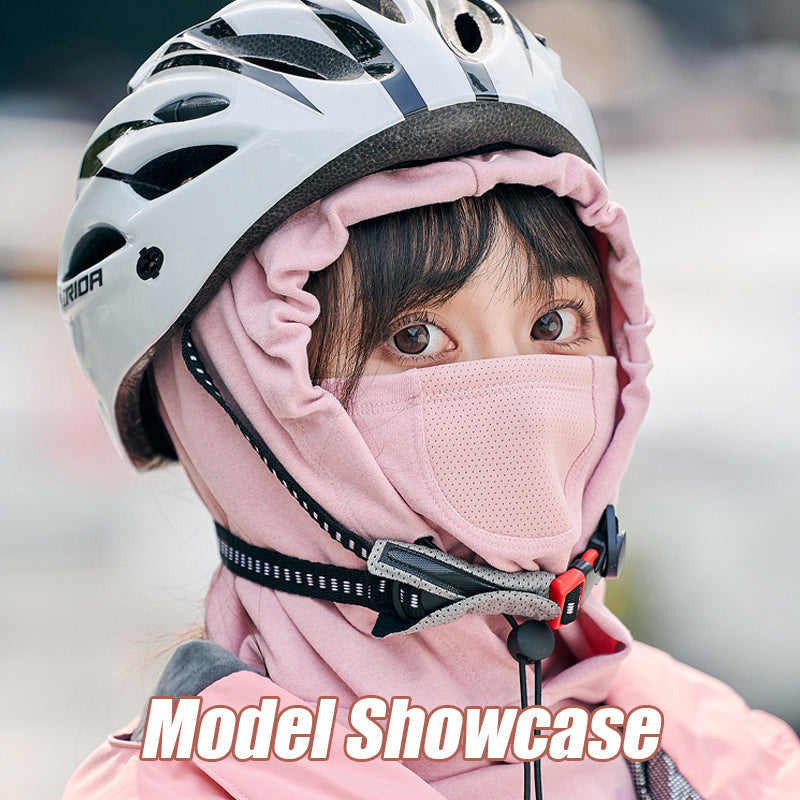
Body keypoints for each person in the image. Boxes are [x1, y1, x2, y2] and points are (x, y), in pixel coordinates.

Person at [57, 1, 800, 798]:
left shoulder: (728, 757)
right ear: (230, 402)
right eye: (414, 338)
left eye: (554, 324)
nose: (520, 404)